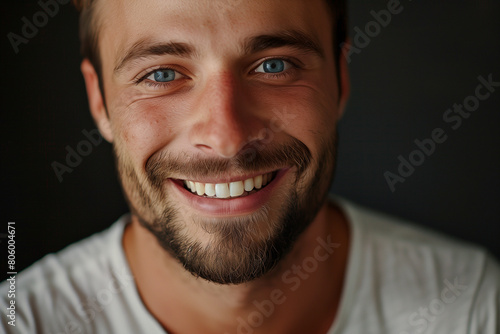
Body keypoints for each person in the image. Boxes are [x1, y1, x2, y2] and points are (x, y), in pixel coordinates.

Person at [1, 0, 499, 333]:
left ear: (341, 79)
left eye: (275, 65)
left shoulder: (470, 307)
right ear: (99, 101)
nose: (227, 137)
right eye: (161, 74)